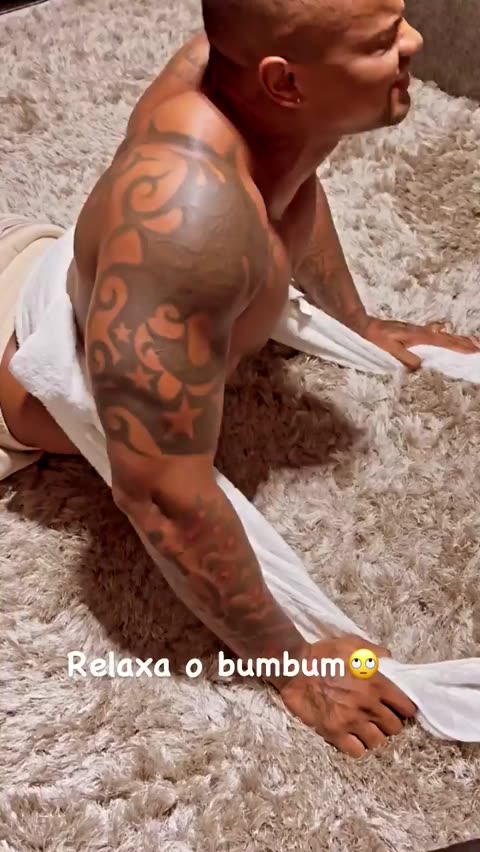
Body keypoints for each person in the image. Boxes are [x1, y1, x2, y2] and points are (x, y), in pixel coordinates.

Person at [1, 0, 479, 757]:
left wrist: (356, 323)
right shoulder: (188, 225)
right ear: (285, 82)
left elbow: (292, 184)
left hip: (37, 257)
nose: (415, 42)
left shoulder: (256, 82)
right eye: (383, 40)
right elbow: (162, 495)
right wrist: (293, 667)